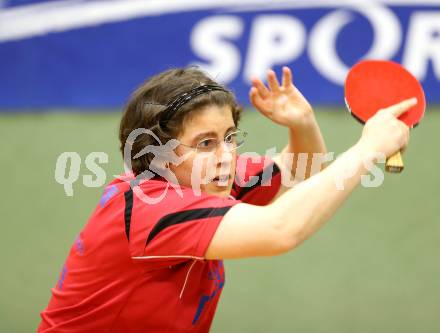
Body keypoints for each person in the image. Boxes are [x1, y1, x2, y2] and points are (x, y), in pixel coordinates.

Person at [37, 66, 414, 332]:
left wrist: (302, 123)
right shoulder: (150, 208)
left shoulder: (211, 176)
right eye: (206, 143)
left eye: (230, 137)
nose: (226, 155)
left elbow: (301, 171)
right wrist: (367, 150)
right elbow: (280, 230)